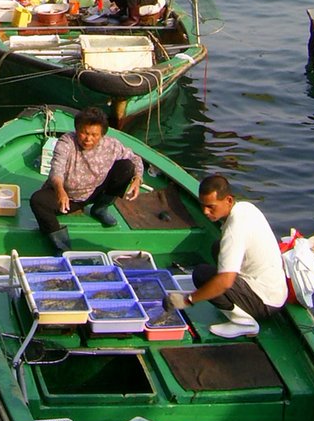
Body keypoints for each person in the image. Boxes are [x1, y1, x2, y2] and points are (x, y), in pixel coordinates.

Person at [163, 174, 288, 338]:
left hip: (265, 302)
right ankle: (237, 305)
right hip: (275, 290)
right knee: (217, 247)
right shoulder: (246, 208)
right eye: (202, 206)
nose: (205, 211)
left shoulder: (234, 231)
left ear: (228, 200)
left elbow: (225, 282)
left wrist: (188, 300)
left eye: (211, 207)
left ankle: (244, 322)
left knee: (202, 274)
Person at [30, 106, 143, 252]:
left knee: (126, 166)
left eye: (94, 135)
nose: (88, 139)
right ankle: (61, 245)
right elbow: (56, 169)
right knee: (37, 200)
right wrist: (60, 190)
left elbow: (135, 159)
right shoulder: (66, 142)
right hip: (67, 197)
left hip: (95, 191)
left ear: (102, 134)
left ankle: (100, 208)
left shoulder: (112, 145)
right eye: (84, 133)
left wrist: (137, 179)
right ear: (77, 130)